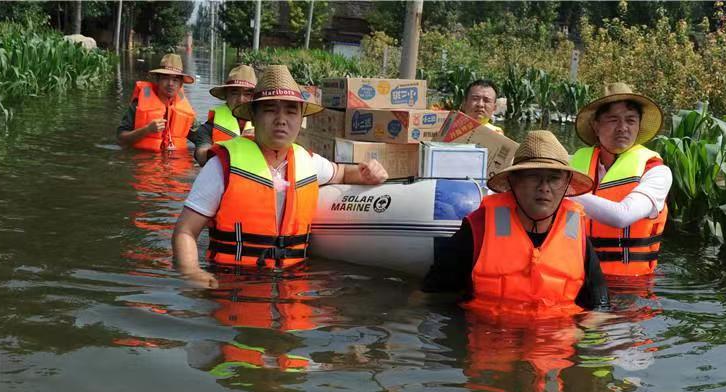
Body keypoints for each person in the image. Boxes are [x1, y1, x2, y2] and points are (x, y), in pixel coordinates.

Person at [172, 65, 389, 287]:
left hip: (293, 283)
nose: (281, 119)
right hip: (232, 282)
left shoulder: (309, 162)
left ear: (300, 118)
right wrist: (192, 272)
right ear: (253, 118)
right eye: (270, 110)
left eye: (291, 111)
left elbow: (342, 173)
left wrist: (369, 172)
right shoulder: (221, 166)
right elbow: (186, 230)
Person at [422, 130, 608, 314]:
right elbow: (433, 296)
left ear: (567, 183)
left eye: (554, 178)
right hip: (490, 336)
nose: (544, 188)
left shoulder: (575, 232)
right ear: (513, 181)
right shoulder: (478, 228)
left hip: (557, 340)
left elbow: (600, 307)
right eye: (533, 176)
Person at [569, 82, 672, 276]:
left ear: (638, 126)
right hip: (574, 277)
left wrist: (560, 190)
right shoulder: (572, 163)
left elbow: (622, 216)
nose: (622, 128)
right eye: (613, 119)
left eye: (630, 120)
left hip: (628, 286)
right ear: (595, 125)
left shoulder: (657, 172)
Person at [117, 53, 203, 153]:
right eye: (165, 78)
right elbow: (121, 139)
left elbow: (201, 138)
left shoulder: (186, 111)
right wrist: (147, 130)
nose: (170, 84)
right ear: (157, 80)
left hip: (176, 164)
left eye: (175, 80)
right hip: (143, 161)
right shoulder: (138, 105)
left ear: (180, 85)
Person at [193, 64, 257, 166]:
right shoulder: (208, 128)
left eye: (247, 94)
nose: (241, 99)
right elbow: (201, 156)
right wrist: (235, 145)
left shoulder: (265, 127)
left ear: (255, 98)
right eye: (235, 93)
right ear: (226, 95)